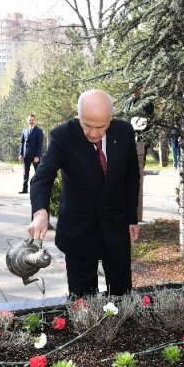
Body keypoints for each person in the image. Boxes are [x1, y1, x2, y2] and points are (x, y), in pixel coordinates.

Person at [28, 90, 141, 297]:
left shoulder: (124, 132)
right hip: (79, 230)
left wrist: (132, 218)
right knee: (83, 302)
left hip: (115, 227)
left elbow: (132, 178)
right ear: (78, 115)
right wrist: (40, 213)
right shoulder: (62, 136)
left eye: (101, 127)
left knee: (122, 296)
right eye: (87, 125)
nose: (94, 133)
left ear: (111, 118)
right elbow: (42, 176)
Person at [18, 114, 43, 194]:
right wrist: (21, 154)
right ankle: (24, 189)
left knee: (37, 173)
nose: (31, 121)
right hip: (26, 155)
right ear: (27, 121)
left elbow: (40, 145)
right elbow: (22, 143)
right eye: (29, 120)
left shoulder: (39, 131)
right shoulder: (24, 130)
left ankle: (37, 189)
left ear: (35, 121)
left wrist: (37, 156)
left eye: (32, 120)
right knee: (25, 173)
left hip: (35, 156)